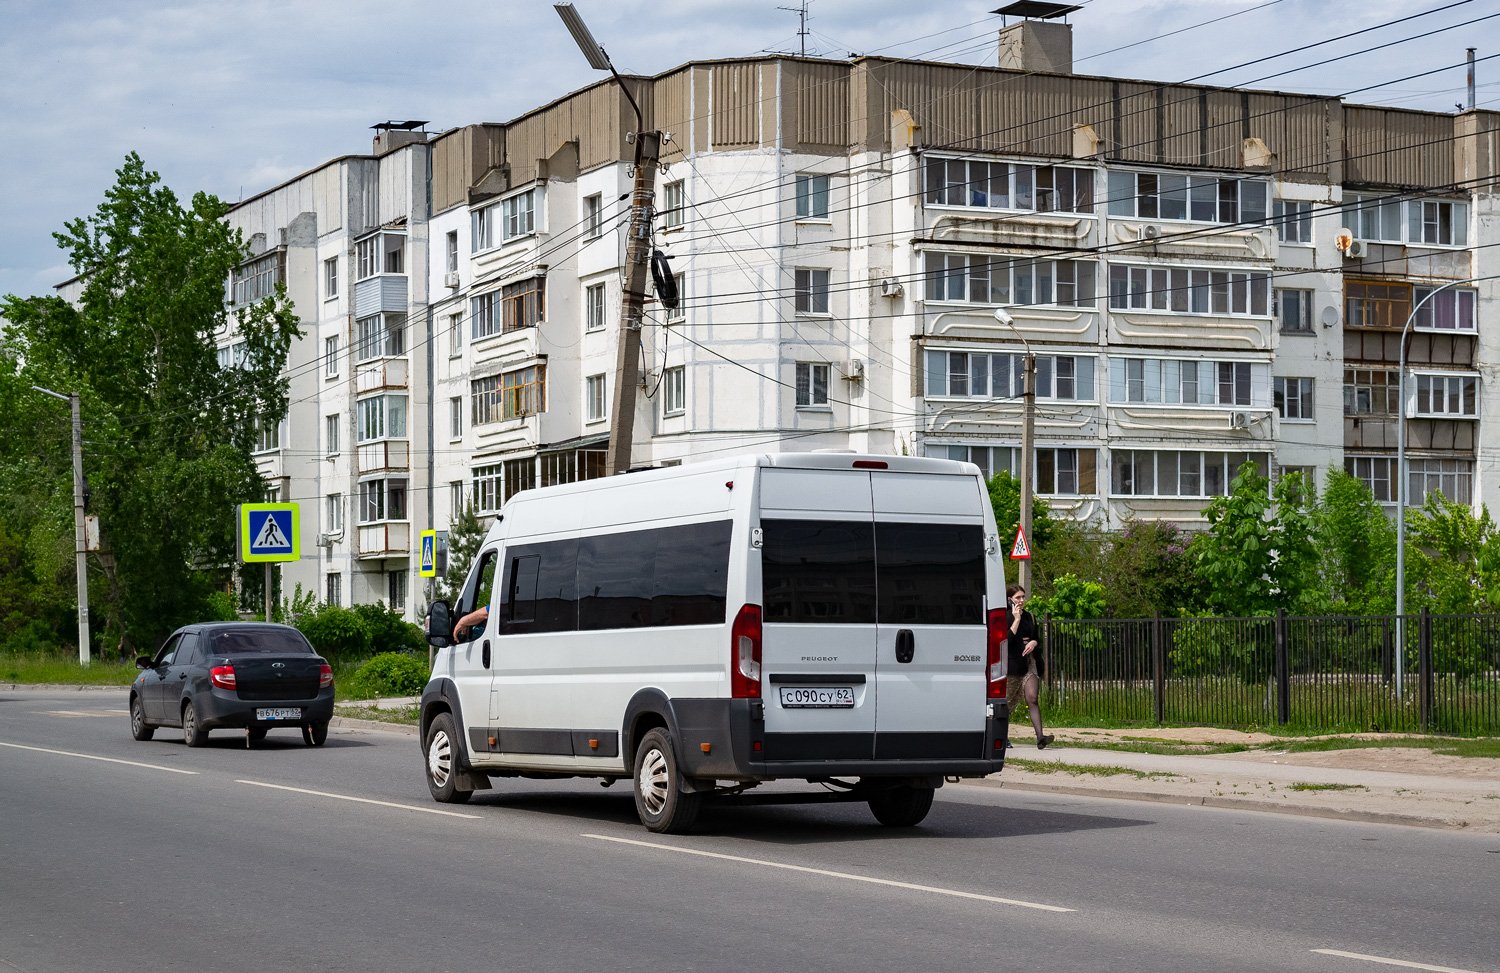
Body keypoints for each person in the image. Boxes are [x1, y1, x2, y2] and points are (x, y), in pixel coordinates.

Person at [1005, 584, 1053, 750]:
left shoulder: (1030, 617)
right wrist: (1016, 619)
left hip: (1029, 662)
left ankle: (1040, 737)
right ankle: (1001, 736)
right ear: (1009, 599)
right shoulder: (1005, 616)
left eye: (1023, 597)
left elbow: (1036, 638)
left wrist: (1034, 642)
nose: (1022, 600)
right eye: (1018, 597)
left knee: (1032, 698)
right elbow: (1006, 641)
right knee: (1006, 704)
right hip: (1012, 665)